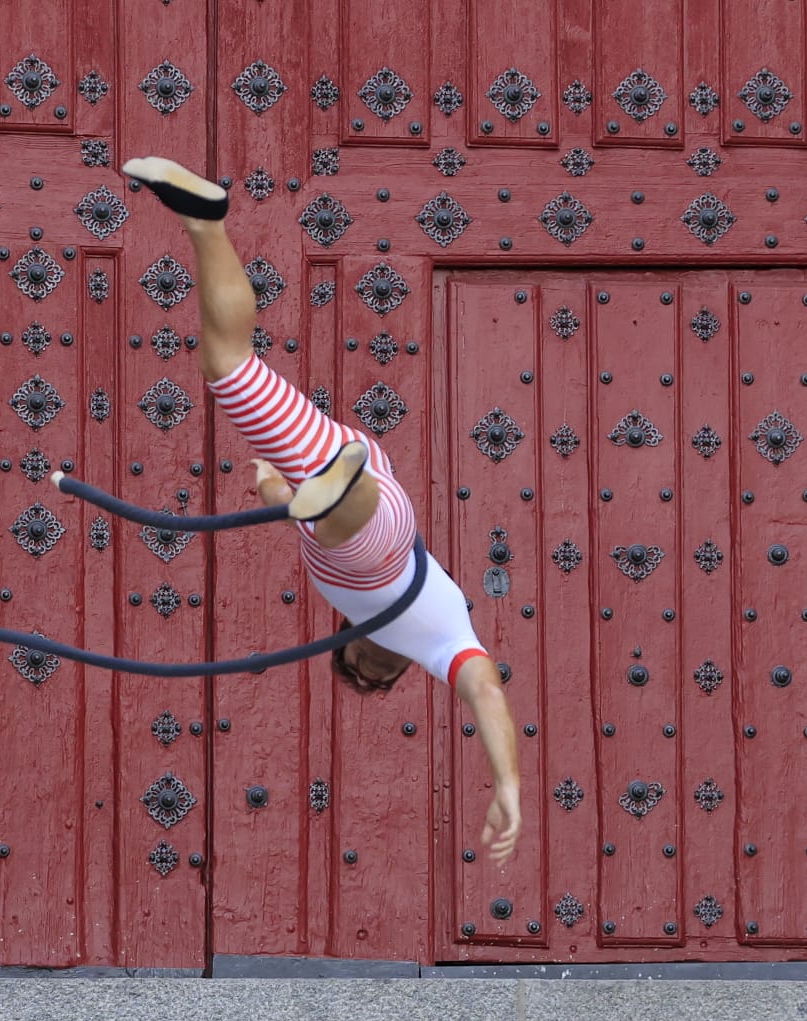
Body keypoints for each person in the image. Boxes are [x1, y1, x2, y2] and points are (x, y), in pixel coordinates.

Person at [121, 155, 523, 863]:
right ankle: (347, 483)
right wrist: (506, 782)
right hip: (377, 528)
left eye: (356, 671)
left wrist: (270, 488)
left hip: (333, 484)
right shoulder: (436, 632)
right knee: (353, 531)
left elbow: (284, 510)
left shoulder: (335, 592)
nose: (367, 669)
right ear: (402, 669)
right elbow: (487, 693)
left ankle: (203, 223)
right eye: (375, 675)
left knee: (227, 365)